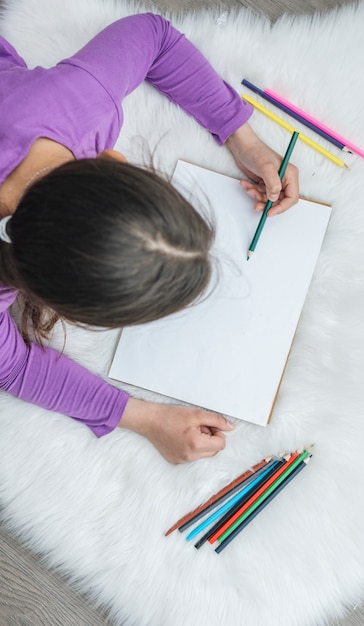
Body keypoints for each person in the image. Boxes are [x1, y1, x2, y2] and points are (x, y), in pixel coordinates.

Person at [0, 13, 299, 463]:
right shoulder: (75, 106)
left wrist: (244, 139)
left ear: (115, 161)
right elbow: (14, 368)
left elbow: (152, 38)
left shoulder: (76, 105)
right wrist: (144, 418)